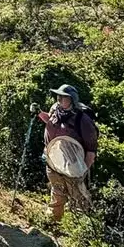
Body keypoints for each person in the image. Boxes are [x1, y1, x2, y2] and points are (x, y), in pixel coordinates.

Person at [38, 84, 98, 222]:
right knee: (57, 189)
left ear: (72, 100)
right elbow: (50, 121)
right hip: (53, 159)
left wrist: (82, 171)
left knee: (77, 195)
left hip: (73, 164)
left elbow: (91, 150)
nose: (59, 99)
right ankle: (53, 220)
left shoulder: (83, 120)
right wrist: (39, 113)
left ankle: (82, 225)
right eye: (58, 95)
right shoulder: (55, 109)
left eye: (63, 97)